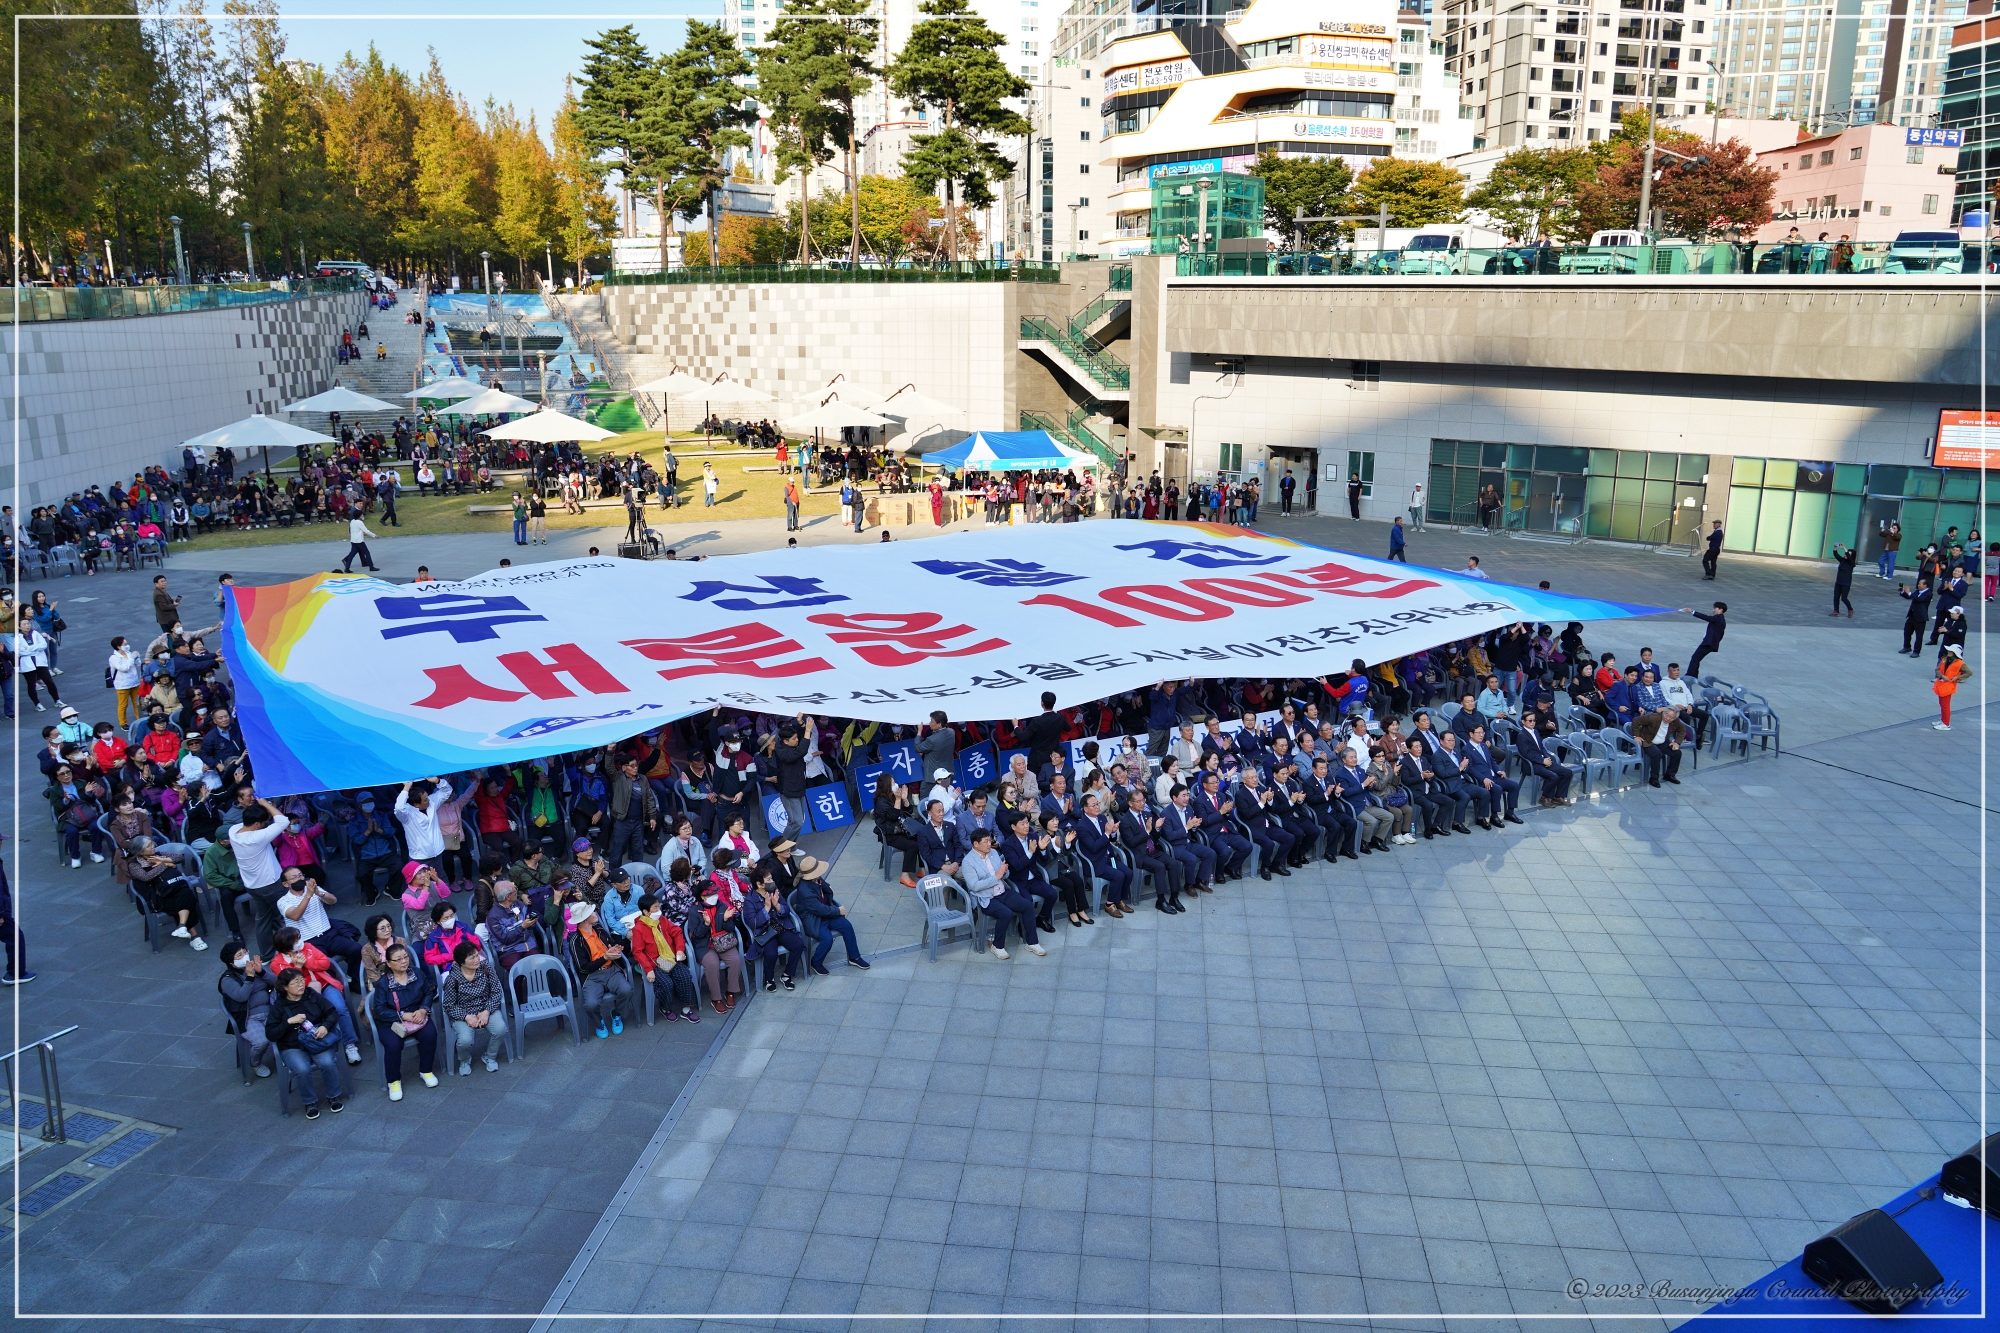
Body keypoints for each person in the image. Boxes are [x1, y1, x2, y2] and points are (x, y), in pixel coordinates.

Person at [267, 967, 345, 1118]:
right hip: (292, 1045)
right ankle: (310, 1102)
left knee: (327, 1062)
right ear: (285, 987)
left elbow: (332, 1012)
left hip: (316, 1039)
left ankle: (333, 1095)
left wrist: (325, 1026)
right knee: (302, 1069)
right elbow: (270, 1034)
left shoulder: (311, 995)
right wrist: (288, 1022)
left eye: (302, 980)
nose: (301, 984)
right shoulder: (279, 1006)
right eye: (296, 983)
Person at [961, 827, 1044, 960]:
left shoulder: (993, 853)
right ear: (976, 844)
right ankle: (997, 946)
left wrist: (1004, 872)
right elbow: (974, 886)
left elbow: (1004, 875)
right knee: (1006, 914)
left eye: (990, 840)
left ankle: (1032, 942)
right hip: (987, 898)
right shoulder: (968, 862)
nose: (990, 844)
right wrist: (997, 876)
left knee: (1027, 905)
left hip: (1003, 892)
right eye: (986, 841)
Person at [369, 942, 438, 1099]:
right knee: (393, 1045)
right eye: (398, 959)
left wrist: (423, 1009)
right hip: (391, 1021)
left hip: (417, 1015)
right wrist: (402, 1015)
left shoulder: (418, 973)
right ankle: (393, 1081)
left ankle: (426, 1070)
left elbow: (428, 993)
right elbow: (379, 1010)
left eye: (405, 957)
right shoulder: (383, 983)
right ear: (389, 963)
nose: (403, 961)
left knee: (430, 1034)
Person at [564, 899, 632, 1037]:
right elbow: (583, 968)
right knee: (590, 1004)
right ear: (584, 920)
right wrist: (605, 958)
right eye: (591, 913)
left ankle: (616, 1013)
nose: (595, 913)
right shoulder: (575, 941)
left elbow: (611, 943)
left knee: (626, 990)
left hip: (612, 970)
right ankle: (598, 1021)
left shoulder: (600, 929)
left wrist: (614, 948)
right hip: (592, 977)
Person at [438, 939, 508, 1074]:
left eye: (477, 955)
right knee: (465, 1040)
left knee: (500, 1030)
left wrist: (487, 1011)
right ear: (461, 962)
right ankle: (464, 1060)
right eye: (472, 958)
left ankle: (490, 1056)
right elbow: (449, 1005)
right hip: (463, 1013)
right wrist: (466, 1017)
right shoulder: (453, 979)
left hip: (486, 1006)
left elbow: (496, 991)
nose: (477, 960)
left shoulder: (486, 968)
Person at [129, 837, 209, 950]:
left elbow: (179, 857)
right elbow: (146, 877)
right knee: (186, 899)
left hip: (174, 889)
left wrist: (162, 860)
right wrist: (166, 864)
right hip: (156, 898)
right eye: (148, 846)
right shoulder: (134, 865)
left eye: (151, 843)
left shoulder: (159, 853)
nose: (153, 846)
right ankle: (194, 936)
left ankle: (183, 928)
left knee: (185, 894)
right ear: (140, 851)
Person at [630, 892, 699, 1020]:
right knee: (666, 983)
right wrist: (649, 970)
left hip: (669, 958)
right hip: (655, 964)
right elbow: (638, 951)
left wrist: (679, 950)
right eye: (655, 907)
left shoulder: (662, 920)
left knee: (684, 975)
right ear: (646, 912)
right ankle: (665, 1008)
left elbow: (677, 932)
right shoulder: (639, 929)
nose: (659, 910)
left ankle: (686, 1009)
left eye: (658, 906)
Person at [793, 856, 869, 972]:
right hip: (814, 920)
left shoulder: (815, 879)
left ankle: (854, 957)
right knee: (827, 939)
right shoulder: (805, 891)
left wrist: (827, 888)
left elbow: (825, 885)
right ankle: (816, 962)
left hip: (825, 914)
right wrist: (838, 911)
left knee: (846, 926)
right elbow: (819, 909)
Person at [686, 880, 744, 1014]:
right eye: (710, 895)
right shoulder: (694, 911)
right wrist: (706, 924)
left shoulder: (722, 906)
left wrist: (726, 920)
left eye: (715, 894)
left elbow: (731, 928)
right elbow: (696, 934)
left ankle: (730, 991)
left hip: (723, 942)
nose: (715, 897)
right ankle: (716, 998)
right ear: (702, 897)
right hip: (705, 946)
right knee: (712, 964)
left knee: (735, 960)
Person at [219, 943, 276, 1077]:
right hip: (248, 1017)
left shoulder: (254, 968)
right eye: (240, 955)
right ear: (232, 963)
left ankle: (284, 1056)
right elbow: (241, 996)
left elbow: (277, 982)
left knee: (286, 1029)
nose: (245, 956)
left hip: (270, 1010)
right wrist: (250, 978)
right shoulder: (227, 980)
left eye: (245, 952)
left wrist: (261, 972)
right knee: (261, 1041)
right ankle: (254, 1063)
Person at [746, 876, 809, 991]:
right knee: (771, 954)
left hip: (780, 927)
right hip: (765, 932)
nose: (772, 882)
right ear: (759, 884)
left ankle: (787, 975)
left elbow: (786, 910)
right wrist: (766, 907)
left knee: (798, 944)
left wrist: (777, 906)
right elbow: (753, 923)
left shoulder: (775, 891)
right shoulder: (750, 900)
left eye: (771, 878)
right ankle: (769, 979)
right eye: (768, 880)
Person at [1632, 706, 1688, 787]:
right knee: (1657, 753)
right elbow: (1636, 721)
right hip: (1648, 741)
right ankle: (1654, 778)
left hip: (1662, 742)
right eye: (1666, 715)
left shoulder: (1675, 721)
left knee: (1677, 753)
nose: (1668, 718)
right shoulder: (1653, 717)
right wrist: (1636, 736)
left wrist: (1677, 742)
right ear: (1663, 712)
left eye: (1671, 717)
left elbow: (1682, 730)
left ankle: (1670, 775)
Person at [1934, 642, 1972, 730]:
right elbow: (1937, 669)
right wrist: (1942, 676)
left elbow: (1969, 673)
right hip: (1941, 683)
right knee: (1942, 703)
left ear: (1954, 653)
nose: (1948, 651)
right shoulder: (1944, 659)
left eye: (1950, 651)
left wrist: (1958, 678)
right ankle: (1943, 720)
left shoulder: (1960, 663)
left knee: (1945, 705)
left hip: (1949, 685)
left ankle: (1946, 724)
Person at [1683, 602, 1726, 678]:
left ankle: (1690, 676)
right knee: (1696, 658)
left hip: (1708, 644)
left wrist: (1692, 612)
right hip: (1710, 644)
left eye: (1715, 608)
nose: (1713, 610)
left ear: (1720, 610)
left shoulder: (1718, 618)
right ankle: (1693, 676)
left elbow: (1707, 617)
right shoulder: (1721, 619)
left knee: (1695, 658)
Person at [1898, 576, 1934, 657]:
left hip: (1920, 617)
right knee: (1907, 632)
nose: (1918, 585)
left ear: (1925, 585)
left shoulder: (1929, 593)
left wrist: (1909, 593)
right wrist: (1903, 592)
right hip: (1912, 615)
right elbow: (1910, 597)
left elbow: (1919, 599)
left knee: (1919, 635)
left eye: (1920, 584)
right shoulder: (1918, 591)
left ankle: (1916, 651)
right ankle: (1907, 647)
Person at [1830, 543, 1857, 618]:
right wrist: (1835, 547)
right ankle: (1836, 611)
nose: (1846, 555)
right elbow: (1836, 555)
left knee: (1844, 598)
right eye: (1846, 554)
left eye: (1848, 554)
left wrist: (1844, 548)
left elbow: (1848, 556)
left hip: (1846, 583)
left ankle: (1850, 609)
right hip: (1838, 582)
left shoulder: (1852, 563)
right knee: (1836, 597)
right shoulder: (1842, 561)